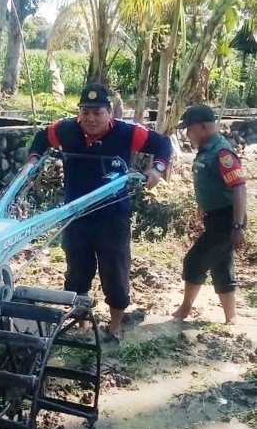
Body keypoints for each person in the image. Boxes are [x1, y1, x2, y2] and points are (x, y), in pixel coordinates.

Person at [28, 83, 172, 341]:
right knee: (77, 270)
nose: (91, 119)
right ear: (79, 112)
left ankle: (115, 326)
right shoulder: (66, 129)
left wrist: (156, 169)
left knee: (115, 272)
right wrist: (33, 160)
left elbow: (162, 144)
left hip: (112, 217)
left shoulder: (128, 133)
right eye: (86, 112)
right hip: (76, 215)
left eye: (98, 113)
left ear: (110, 113)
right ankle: (82, 324)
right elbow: (41, 139)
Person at [172, 104, 247, 325]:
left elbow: (239, 188)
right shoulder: (207, 150)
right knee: (221, 265)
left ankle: (184, 310)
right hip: (216, 217)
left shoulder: (222, 152)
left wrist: (237, 226)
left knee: (194, 261)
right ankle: (230, 318)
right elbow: (212, 185)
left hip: (227, 219)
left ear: (203, 126)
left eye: (189, 129)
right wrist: (203, 206)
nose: (187, 134)